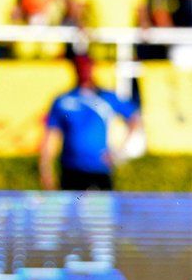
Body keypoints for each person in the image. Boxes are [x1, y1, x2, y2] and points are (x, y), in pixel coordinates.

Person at [39, 54, 141, 191]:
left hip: (99, 169)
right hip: (71, 168)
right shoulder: (63, 100)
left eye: (87, 67)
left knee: (100, 211)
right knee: (72, 212)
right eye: (80, 67)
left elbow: (134, 117)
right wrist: (45, 168)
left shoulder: (106, 98)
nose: (84, 71)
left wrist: (119, 152)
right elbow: (51, 134)